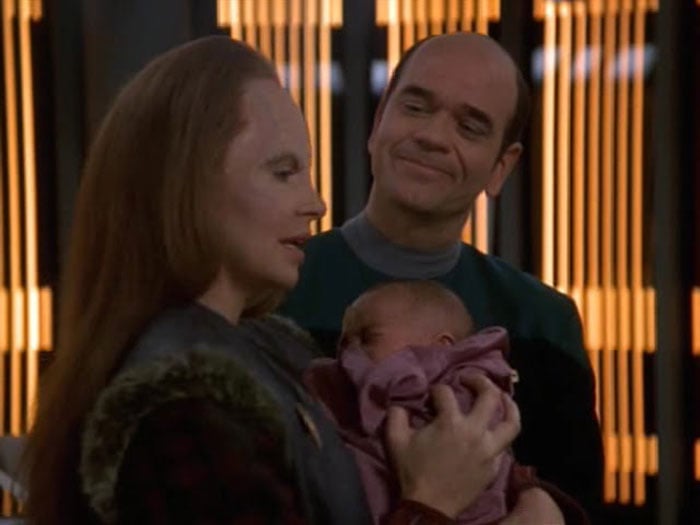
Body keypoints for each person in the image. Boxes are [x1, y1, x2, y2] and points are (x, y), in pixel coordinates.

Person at [22, 36, 527, 525]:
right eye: (283, 172)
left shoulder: (273, 350)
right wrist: (431, 504)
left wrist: (534, 497)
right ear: (189, 180)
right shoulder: (184, 403)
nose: (316, 203)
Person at [279, 31, 604, 519]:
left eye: (470, 127)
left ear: (501, 167)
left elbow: (579, 500)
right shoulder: (276, 286)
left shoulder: (543, 322)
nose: (432, 136)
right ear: (378, 122)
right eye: (415, 107)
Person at [305, 280, 581, 525]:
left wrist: (531, 493)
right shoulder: (331, 384)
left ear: (439, 348)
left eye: (368, 337)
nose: (349, 351)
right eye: (343, 342)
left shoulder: (465, 387)